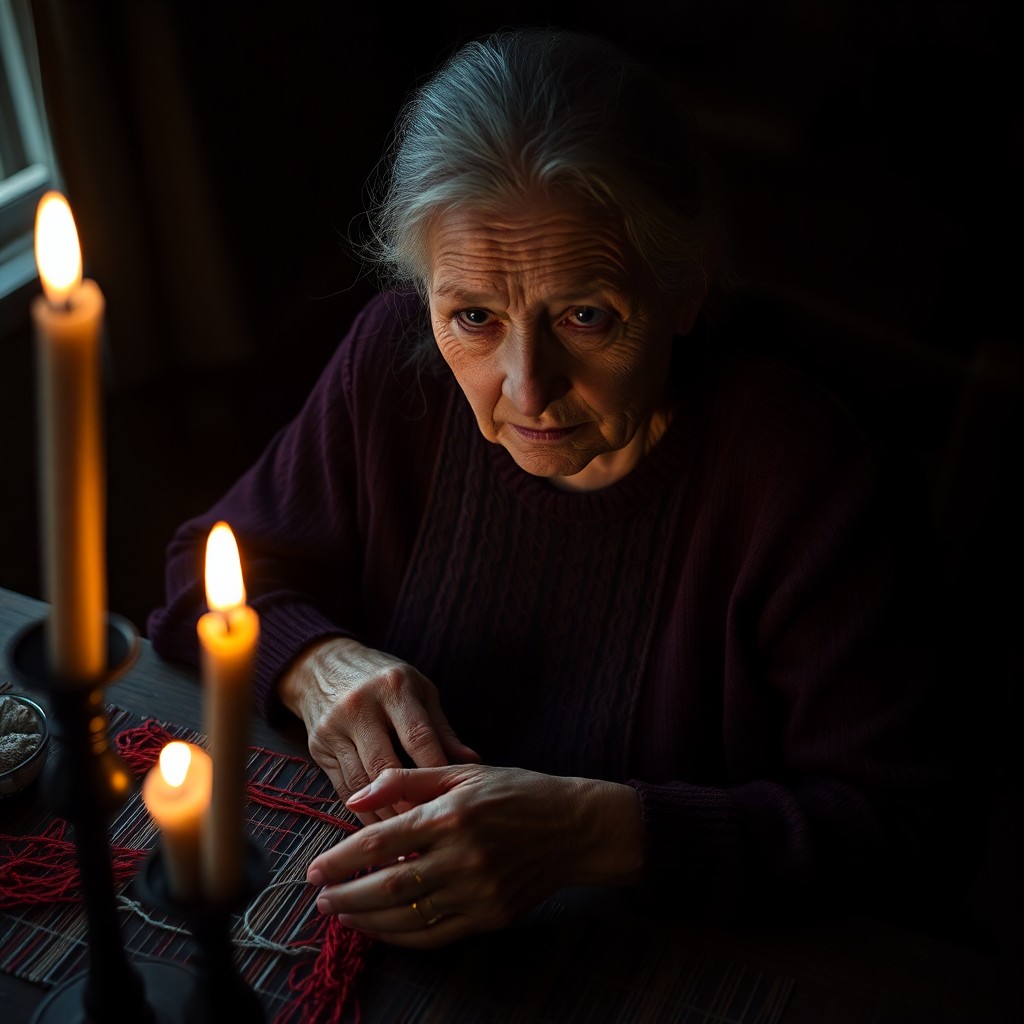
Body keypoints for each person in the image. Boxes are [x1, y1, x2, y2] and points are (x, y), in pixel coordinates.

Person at [147, 26, 957, 950]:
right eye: (474, 318)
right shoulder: (395, 364)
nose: (527, 388)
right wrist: (314, 662)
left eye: (586, 314)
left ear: (686, 288)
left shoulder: (798, 473)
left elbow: (900, 830)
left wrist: (594, 832)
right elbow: (200, 570)